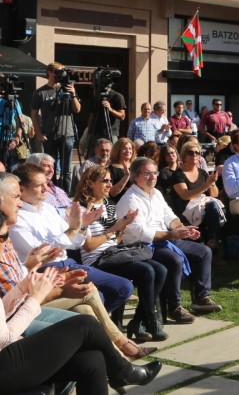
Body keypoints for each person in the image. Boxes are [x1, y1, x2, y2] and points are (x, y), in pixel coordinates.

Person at [0, 206, 161, 395]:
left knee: (92, 361)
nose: (7, 243)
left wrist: (24, 287)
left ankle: (121, 371)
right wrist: (35, 298)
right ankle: (123, 371)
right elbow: (1, 337)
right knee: (84, 325)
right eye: (4, 237)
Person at [8, 164, 135, 313]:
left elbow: (74, 243)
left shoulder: (47, 208)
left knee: (123, 287)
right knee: (106, 294)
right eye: (39, 185)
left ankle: (97, 321)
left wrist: (82, 226)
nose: (45, 189)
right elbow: (41, 253)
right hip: (45, 271)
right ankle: (95, 322)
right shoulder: (17, 217)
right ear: (22, 189)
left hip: (68, 263)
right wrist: (72, 230)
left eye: (46, 184)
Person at [117, 157, 221, 320]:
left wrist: (182, 229)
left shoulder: (156, 193)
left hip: (165, 239)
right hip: (142, 246)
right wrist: (172, 234)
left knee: (204, 252)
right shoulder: (130, 199)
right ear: (136, 176)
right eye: (147, 173)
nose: (152, 177)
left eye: (155, 173)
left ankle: (201, 298)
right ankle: (174, 306)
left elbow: (169, 216)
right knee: (174, 260)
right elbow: (142, 233)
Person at [75, 164, 167, 346]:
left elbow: (115, 240)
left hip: (113, 253)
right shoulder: (82, 209)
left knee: (160, 270)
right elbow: (88, 246)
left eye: (110, 180)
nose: (110, 184)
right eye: (105, 181)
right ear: (90, 183)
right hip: (97, 260)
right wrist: (114, 229)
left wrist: (122, 228)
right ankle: (150, 321)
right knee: (146, 271)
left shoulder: (109, 205)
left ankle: (138, 321)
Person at [30, 62, 81, 189]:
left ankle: (65, 193)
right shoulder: (40, 92)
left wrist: (73, 94)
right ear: (50, 72)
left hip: (67, 133)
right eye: (58, 71)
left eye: (63, 71)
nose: (61, 74)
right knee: (49, 168)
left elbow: (77, 109)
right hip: (49, 134)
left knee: (66, 169)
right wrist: (38, 133)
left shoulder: (67, 89)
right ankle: (50, 191)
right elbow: (34, 114)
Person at [169, 141, 225, 249]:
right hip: (185, 209)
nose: (194, 155)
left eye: (197, 153)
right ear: (184, 156)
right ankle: (211, 240)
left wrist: (212, 183)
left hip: (203, 208)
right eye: (190, 152)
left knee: (213, 206)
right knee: (212, 207)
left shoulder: (203, 172)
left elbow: (214, 194)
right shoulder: (178, 175)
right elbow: (185, 195)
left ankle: (212, 240)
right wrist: (206, 185)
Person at [85, 78, 126, 146]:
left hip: (111, 133)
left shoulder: (117, 96)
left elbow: (122, 116)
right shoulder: (96, 97)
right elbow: (92, 116)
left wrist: (110, 109)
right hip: (96, 133)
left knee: (111, 152)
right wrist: (88, 133)